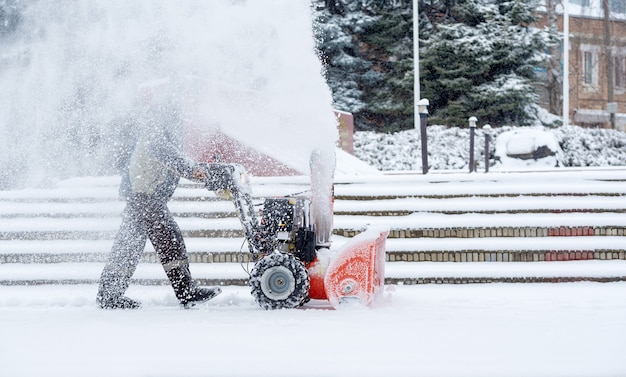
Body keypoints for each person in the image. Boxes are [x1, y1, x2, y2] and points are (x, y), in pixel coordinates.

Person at [97, 101, 221, 309]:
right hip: (146, 199)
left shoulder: (155, 133)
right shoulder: (155, 135)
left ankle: (109, 293)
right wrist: (194, 171)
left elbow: (171, 156)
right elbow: (170, 157)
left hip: (140, 198)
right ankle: (186, 292)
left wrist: (199, 168)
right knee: (170, 240)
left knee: (129, 246)